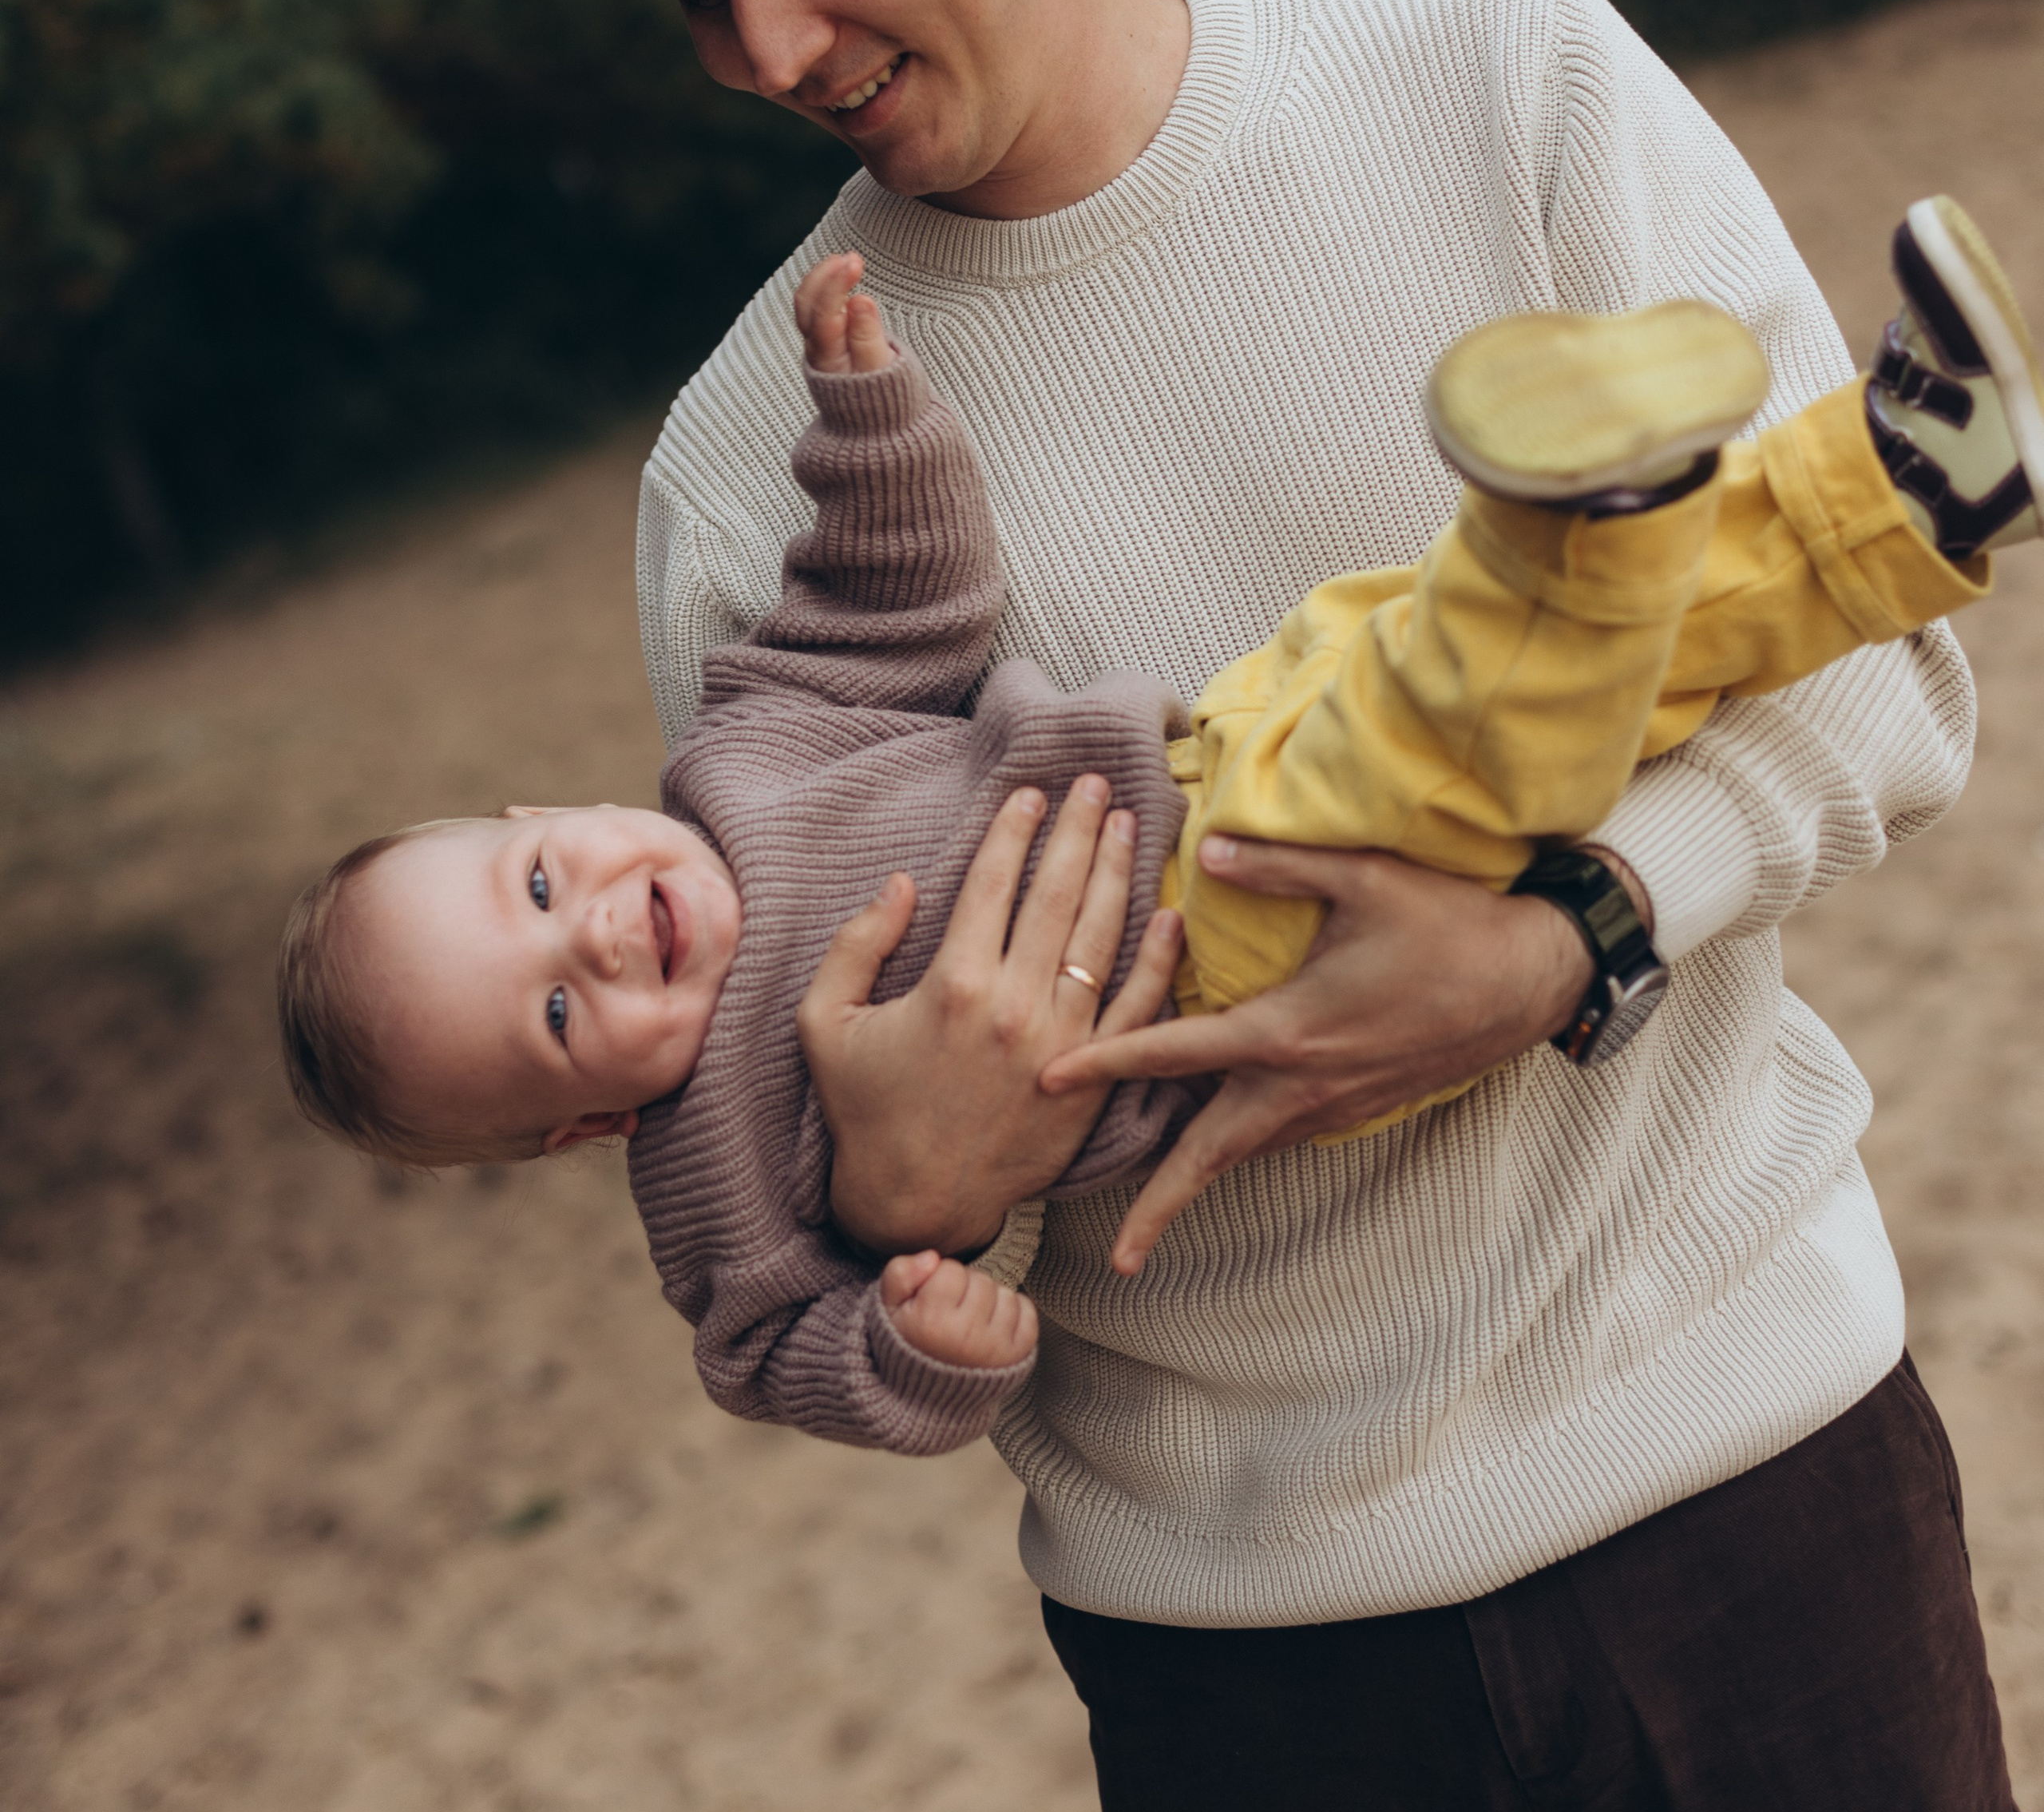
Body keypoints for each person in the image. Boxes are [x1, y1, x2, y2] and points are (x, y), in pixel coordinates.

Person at [584, 0, 2044, 1812]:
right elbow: (812, 1218)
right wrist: (913, 1188)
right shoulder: (748, 470)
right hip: (1250, 1661)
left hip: (1751, 1466)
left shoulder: (1499, 65)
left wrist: (1578, 936)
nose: (771, 47)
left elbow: (1894, 670)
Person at [281, 197, 2037, 1457]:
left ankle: (1908, 480)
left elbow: (902, 602)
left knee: (1478, 661)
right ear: (586, 1126)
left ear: (546, 811)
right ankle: (1597, 520)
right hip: (1232, 960)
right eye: (556, 1010)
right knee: (1456, 711)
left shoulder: (751, 746)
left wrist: (868, 423)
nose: (593, 931)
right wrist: (918, 1316)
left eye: (537, 882)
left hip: (1215, 747)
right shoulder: (710, 1185)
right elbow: (777, 1359)